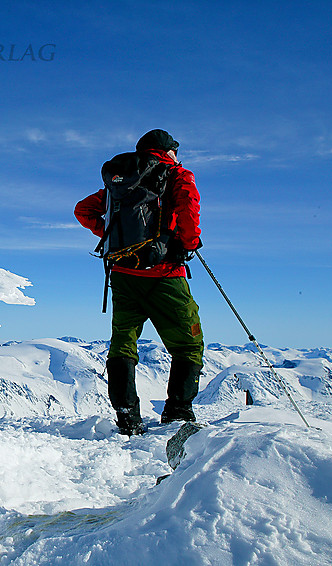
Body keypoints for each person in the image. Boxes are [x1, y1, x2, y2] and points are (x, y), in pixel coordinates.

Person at [75, 129, 204, 435]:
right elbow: (188, 209)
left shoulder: (120, 184)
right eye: (175, 150)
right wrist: (188, 243)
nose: (178, 155)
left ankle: (127, 417)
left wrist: (117, 242)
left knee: (123, 342)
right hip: (165, 275)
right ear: (167, 152)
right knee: (188, 343)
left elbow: (84, 210)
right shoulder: (176, 175)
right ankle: (177, 413)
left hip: (122, 274)